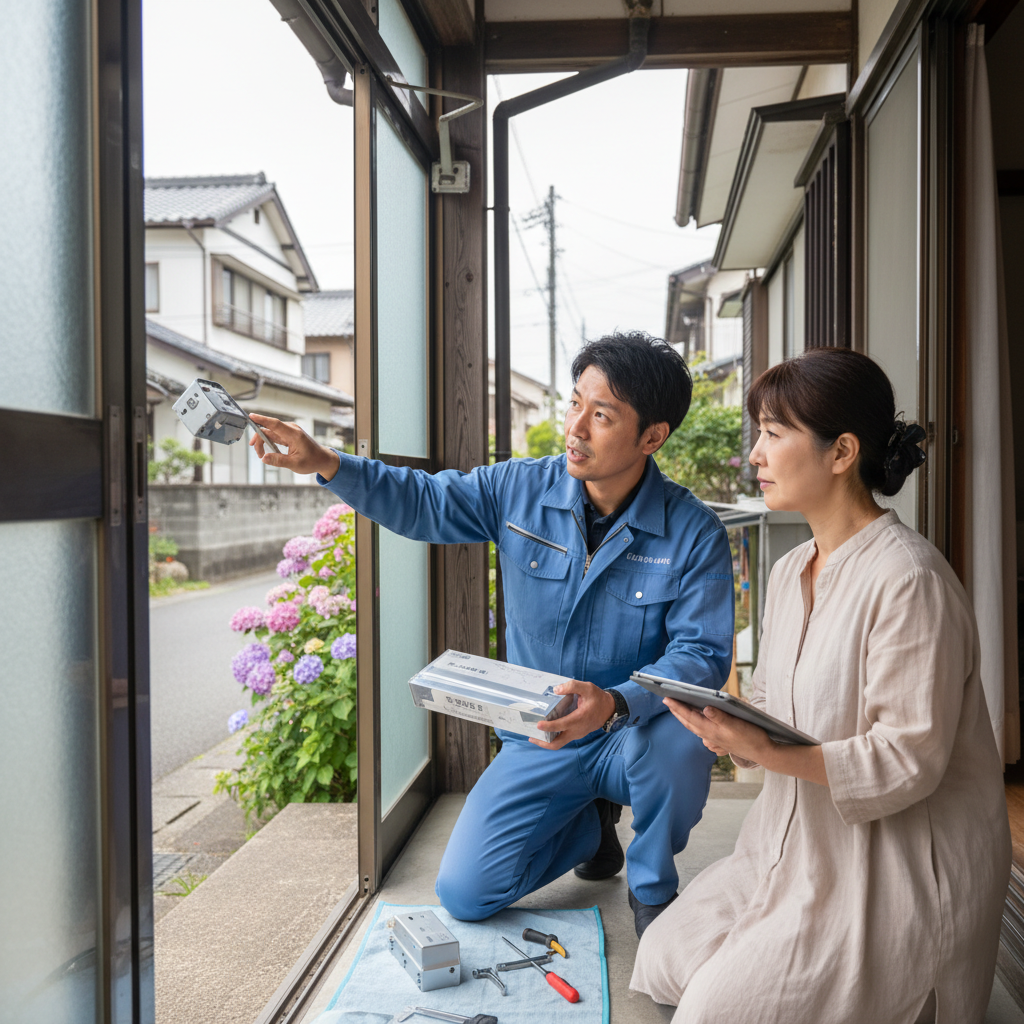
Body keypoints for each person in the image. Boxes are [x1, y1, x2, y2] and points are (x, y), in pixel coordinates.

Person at [249, 331, 735, 936]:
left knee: (686, 742)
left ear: (652, 437)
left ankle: (652, 890)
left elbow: (701, 655)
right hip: (543, 734)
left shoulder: (694, 532)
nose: (575, 428)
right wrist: (326, 462)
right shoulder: (518, 489)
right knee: (466, 893)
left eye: (602, 415)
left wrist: (615, 703)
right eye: (575, 403)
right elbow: (424, 502)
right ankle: (590, 829)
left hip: (633, 732)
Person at [630, 347, 1011, 1024]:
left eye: (773, 434)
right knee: (662, 959)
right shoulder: (790, 569)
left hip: (892, 868)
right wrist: (732, 728)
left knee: (708, 1013)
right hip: (794, 842)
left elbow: (908, 760)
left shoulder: (909, 580)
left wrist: (767, 751)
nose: (755, 455)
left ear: (841, 452)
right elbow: (777, 703)